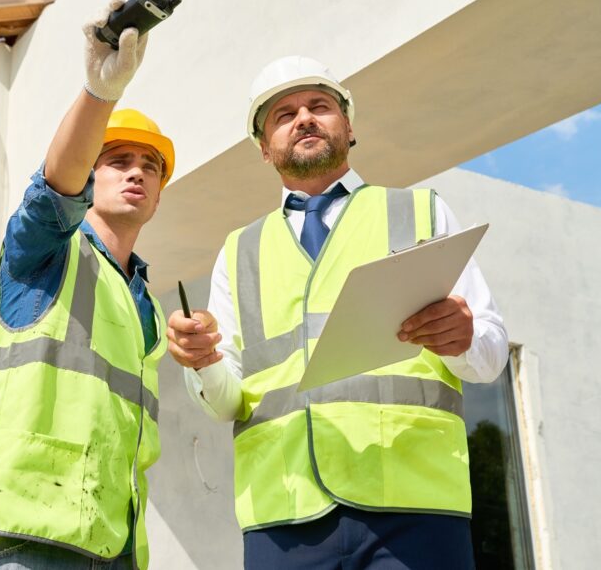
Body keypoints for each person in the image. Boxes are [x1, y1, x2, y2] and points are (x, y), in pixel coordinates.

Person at [166, 56, 509, 569]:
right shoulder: (239, 252)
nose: (304, 118)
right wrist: (202, 362)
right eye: (284, 115)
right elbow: (224, 403)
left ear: (348, 127)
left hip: (415, 509)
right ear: (264, 148)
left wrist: (463, 339)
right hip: (283, 516)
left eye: (319, 106)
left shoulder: (419, 212)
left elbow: (491, 355)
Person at [0, 0, 174, 569]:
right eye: (117, 159)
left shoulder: (145, 303)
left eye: (150, 165)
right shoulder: (45, 252)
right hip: (26, 539)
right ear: (89, 174)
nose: (137, 171)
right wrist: (100, 93)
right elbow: (54, 191)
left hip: (113, 546)